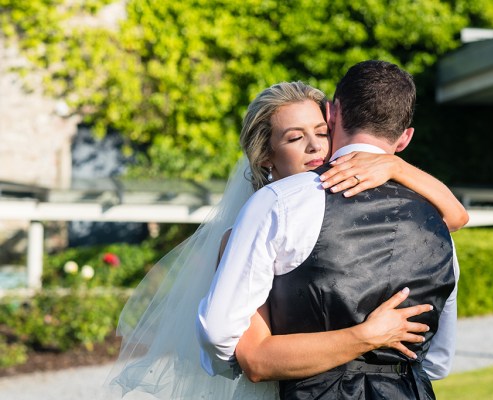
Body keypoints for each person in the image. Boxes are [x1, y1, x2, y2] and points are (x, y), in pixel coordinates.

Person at [107, 76, 466, 399]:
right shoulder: (262, 219)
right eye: (295, 137)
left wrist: (396, 166)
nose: (315, 147)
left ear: (334, 120)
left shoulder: (414, 212)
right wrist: (365, 338)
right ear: (266, 156)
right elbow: (247, 355)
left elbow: (457, 217)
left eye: (321, 133)